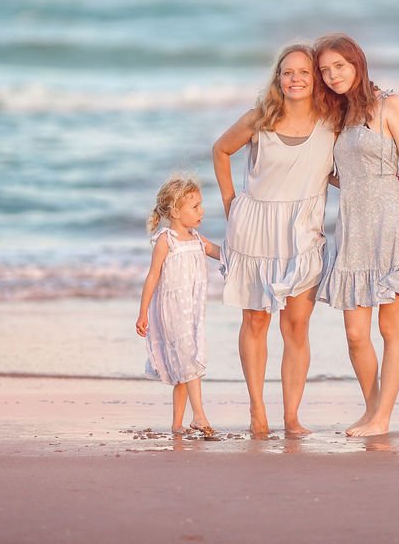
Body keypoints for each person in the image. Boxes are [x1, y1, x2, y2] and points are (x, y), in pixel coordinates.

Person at [212, 43, 340, 437]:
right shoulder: (259, 120)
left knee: (296, 328)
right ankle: (256, 411)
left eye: (303, 72)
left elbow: (338, 168)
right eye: (287, 72)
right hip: (255, 229)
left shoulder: (332, 121)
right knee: (255, 321)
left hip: (303, 232)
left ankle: (292, 417)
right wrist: (232, 204)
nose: (295, 79)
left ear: (315, 79)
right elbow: (220, 150)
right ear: (278, 79)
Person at [315, 33, 399, 437]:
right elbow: (334, 174)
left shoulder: (389, 105)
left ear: (357, 63)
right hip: (351, 227)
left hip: (391, 222)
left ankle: (383, 418)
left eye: (339, 67)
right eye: (325, 71)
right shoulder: (334, 116)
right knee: (355, 333)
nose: (332, 76)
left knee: (390, 329)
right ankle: (371, 408)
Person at [135, 176, 220, 436]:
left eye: (200, 205)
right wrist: (142, 313)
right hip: (171, 312)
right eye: (195, 207)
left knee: (185, 365)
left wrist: (248, 252)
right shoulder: (166, 240)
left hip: (192, 311)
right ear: (174, 211)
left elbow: (222, 253)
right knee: (189, 360)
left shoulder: (196, 239)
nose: (201, 211)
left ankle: (176, 424)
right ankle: (200, 416)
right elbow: (152, 277)